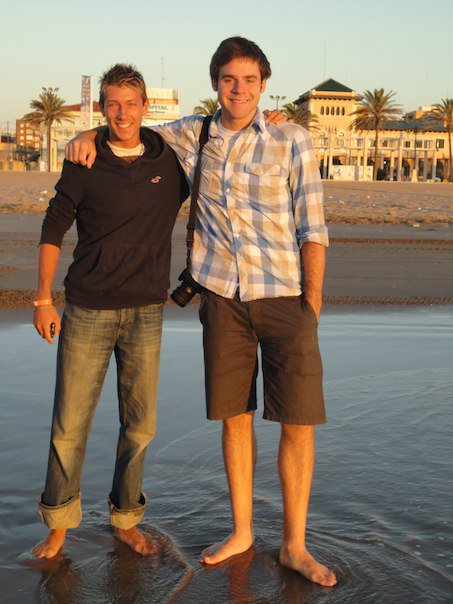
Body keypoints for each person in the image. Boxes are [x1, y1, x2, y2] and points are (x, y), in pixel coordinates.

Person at [66, 37, 336, 587]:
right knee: (235, 420)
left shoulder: (292, 138)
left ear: (264, 84)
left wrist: (311, 304)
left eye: (250, 80)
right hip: (222, 301)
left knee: (297, 423)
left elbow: (313, 226)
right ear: (215, 83)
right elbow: (129, 126)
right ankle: (242, 532)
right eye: (229, 79)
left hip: (285, 298)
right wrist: (87, 133)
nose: (239, 89)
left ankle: (295, 545)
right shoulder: (194, 134)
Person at [32, 63, 189, 559]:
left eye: (131, 104)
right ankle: (59, 525)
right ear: (102, 108)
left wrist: (270, 120)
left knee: (140, 426)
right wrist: (42, 299)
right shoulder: (85, 159)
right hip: (87, 309)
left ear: (146, 107)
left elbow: (222, 138)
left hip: (145, 311)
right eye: (113, 105)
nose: (123, 114)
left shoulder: (171, 161)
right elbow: (53, 228)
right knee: (69, 425)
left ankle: (126, 520)